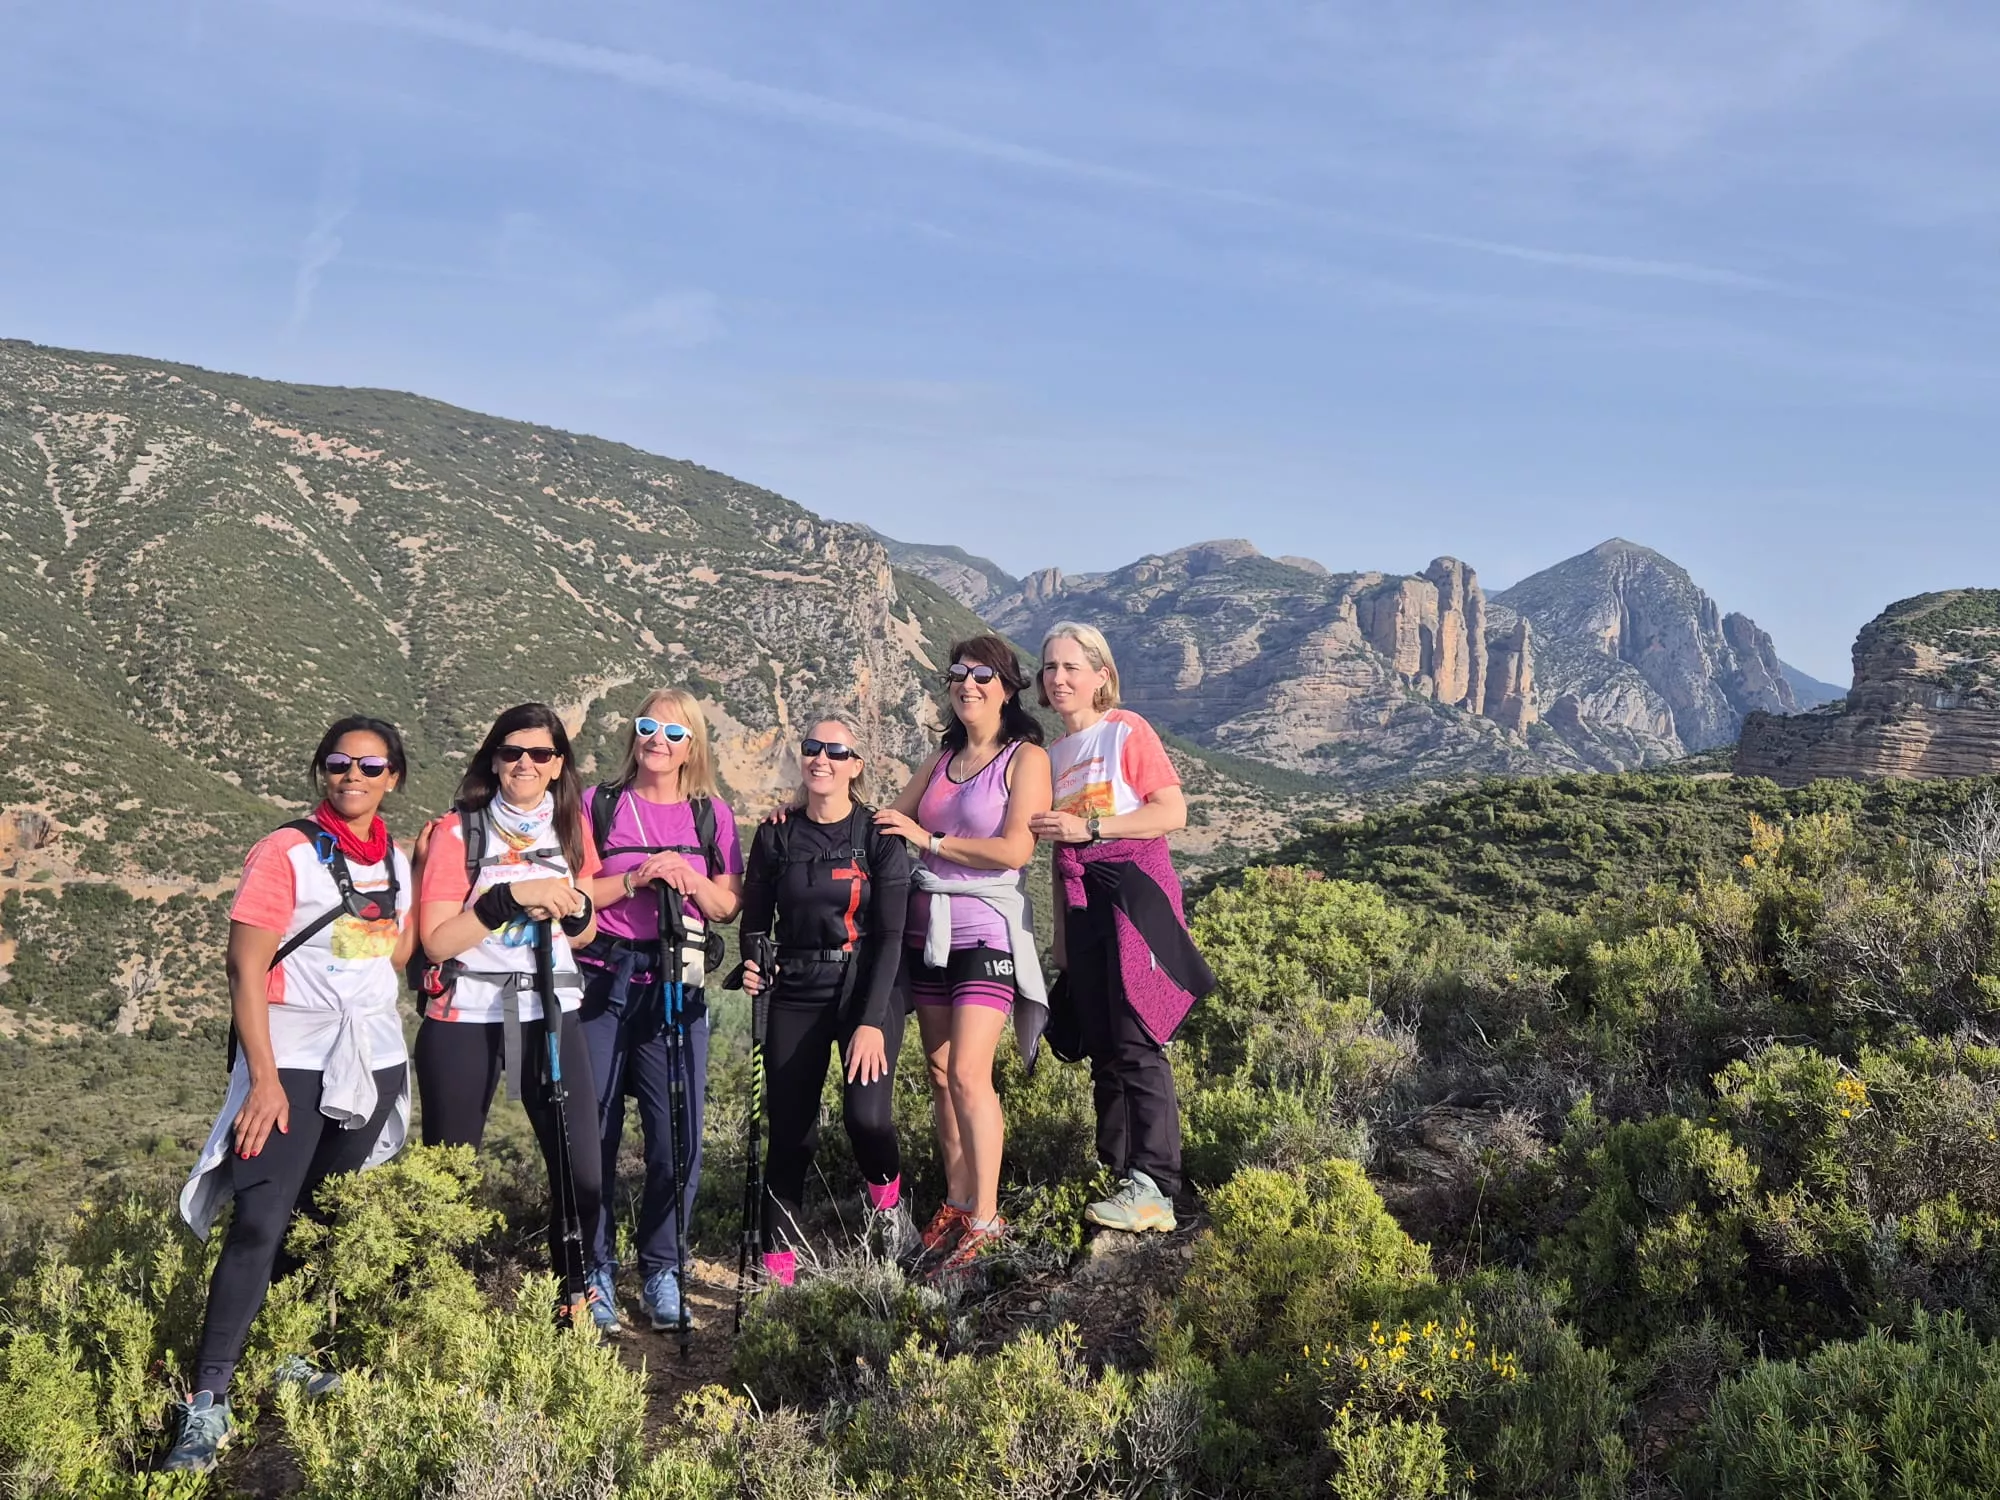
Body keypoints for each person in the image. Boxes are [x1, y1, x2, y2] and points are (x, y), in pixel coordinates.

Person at [166, 717, 417, 1473]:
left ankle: (289, 1356)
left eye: (369, 766)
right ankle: (208, 1400)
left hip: (370, 1056)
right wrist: (265, 1079)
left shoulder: (395, 860)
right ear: (320, 772)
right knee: (261, 1221)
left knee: (320, 1215)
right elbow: (246, 970)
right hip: (293, 1058)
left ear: (393, 778)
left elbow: (384, 951)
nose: (353, 776)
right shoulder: (284, 853)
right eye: (339, 764)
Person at [411, 702, 604, 1324]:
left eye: (540, 754)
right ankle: (441, 1306)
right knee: (449, 1175)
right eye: (511, 752)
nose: (524, 763)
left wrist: (573, 910)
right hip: (466, 1013)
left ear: (557, 767)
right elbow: (436, 940)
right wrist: (510, 897)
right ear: (493, 761)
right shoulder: (457, 832)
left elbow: (584, 931)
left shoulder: (571, 827)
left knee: (581, 1169)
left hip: (550, 1007)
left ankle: (571, 1296)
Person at [1028, 623, 1214, 1235]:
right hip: (1082, 901)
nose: (1058, 679)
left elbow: (1172, 811)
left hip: (1135, 894)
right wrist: (1059, 932)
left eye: (1071, 667)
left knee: (1137, 1039)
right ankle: (1121, 1173)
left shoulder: (1126, 730)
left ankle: (1157, 1184)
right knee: (1102, 1044)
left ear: (1101, 675)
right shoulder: (1051, 757)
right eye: (1050, 668)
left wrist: (1095, 829)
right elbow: (1058, 850)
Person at [572, 689, 743, 1335]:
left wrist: (690, 882)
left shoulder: (711, 816)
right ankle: (594, 1271)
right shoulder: (599, 805)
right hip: (602, 981)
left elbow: (729, 903)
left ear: (692, 745)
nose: (658, 741)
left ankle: (663, 1266)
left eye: (674, 733)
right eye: (648, 728)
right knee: (594, 1133)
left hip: (680, 979)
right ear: (633, 734)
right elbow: (576, 892)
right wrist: (639, 878)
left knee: (680, 1134)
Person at [879, 634, 1052, 1273]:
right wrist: (806, 817)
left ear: (1007, 686)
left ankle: (986, 1217)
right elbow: (888, 818)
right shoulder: (942, 755)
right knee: (939, 1073)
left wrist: (932, 839)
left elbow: (1013, 851)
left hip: (985, 931)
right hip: (929, 933)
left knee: (970, 1075)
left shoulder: (1024, 758)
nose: (968, 684)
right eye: (958, 673)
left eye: (983, 674)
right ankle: (955, 1200)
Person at [738, 713, 914, 1285]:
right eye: (813, 748)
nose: (822, 759)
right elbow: (754, 921)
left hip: (868, 987)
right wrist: (751, 965)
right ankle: (778, 1266)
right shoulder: (776, 834)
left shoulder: (878, 837)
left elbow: (889, 936)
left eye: (837, 752)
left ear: (856, 766)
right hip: (795, 988)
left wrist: (868, 1023)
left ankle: (889, 1213)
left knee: (867, 1117)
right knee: (791, 1130)